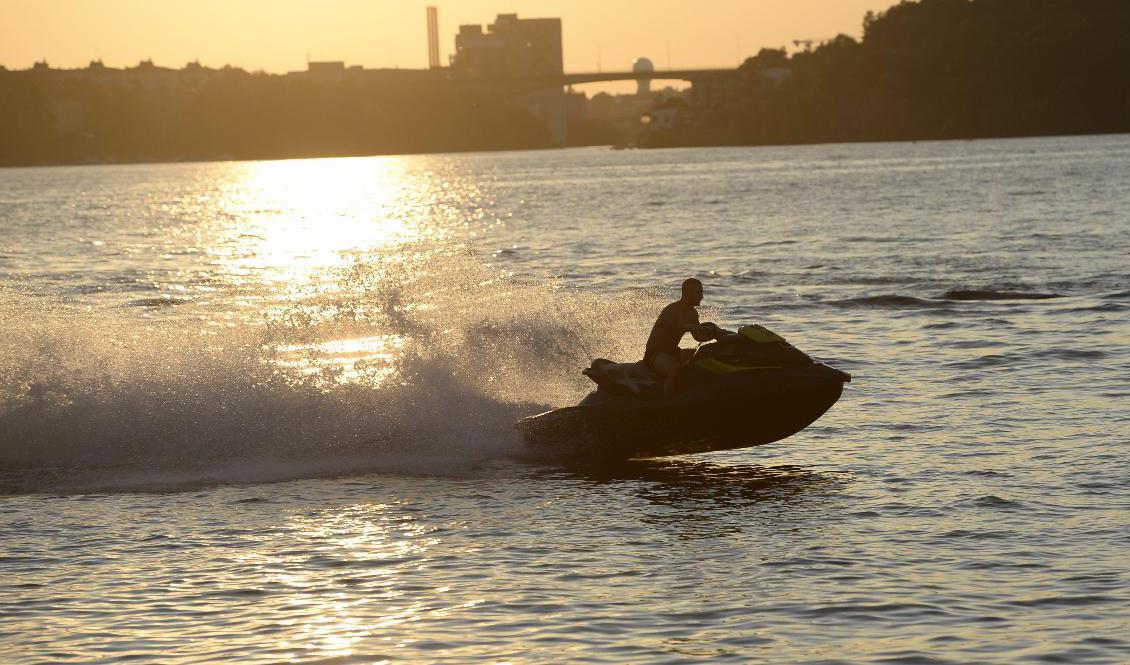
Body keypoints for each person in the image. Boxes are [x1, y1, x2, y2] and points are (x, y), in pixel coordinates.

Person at [643, 278, 714, 397]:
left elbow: (698, 337)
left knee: (702, 355)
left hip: (673, 352)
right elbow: (668, 326)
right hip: (655, 353)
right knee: (674, 369)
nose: (702, 296)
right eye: (699, 292)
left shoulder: (693, 313)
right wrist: (689, 326)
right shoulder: (671, 310)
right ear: (688, 293)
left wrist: (713, 334)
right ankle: (668, 402)